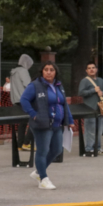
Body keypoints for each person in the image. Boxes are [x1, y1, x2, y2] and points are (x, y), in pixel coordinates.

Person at [20, 62, 75, 190]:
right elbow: (24, 100)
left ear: (55, 72)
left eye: (51, 70)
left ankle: (39, 172)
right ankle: (43, 179)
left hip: (57, 124)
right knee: (42, 151)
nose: (48, 72)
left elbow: (64, 104)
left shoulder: (59, 86)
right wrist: (33, 114)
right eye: (46, 70)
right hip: (42, 124)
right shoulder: (35, 85)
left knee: (57, 150)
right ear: (42, 72)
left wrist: (70, 120)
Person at [78, 62, 103, 157]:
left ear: (96, 69)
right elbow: (81, 92)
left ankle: (98, 148)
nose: (91, 69)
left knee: (99, 130)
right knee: (90, 130)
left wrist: (102, 93)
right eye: (89, 68)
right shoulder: (85, 81)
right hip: (89, 109)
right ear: (86, 70)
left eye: (93, 67)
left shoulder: (100, 80)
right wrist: (93, 90)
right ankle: (89, 148)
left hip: (100, 109)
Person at [10, 54, 34, 151]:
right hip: (25, 100)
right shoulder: (23, 71)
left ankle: (20, 145)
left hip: (16, 99)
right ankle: (26, 142)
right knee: (35, 120)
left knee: (22, 122)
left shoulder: (13, 72)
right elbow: (28, 86)